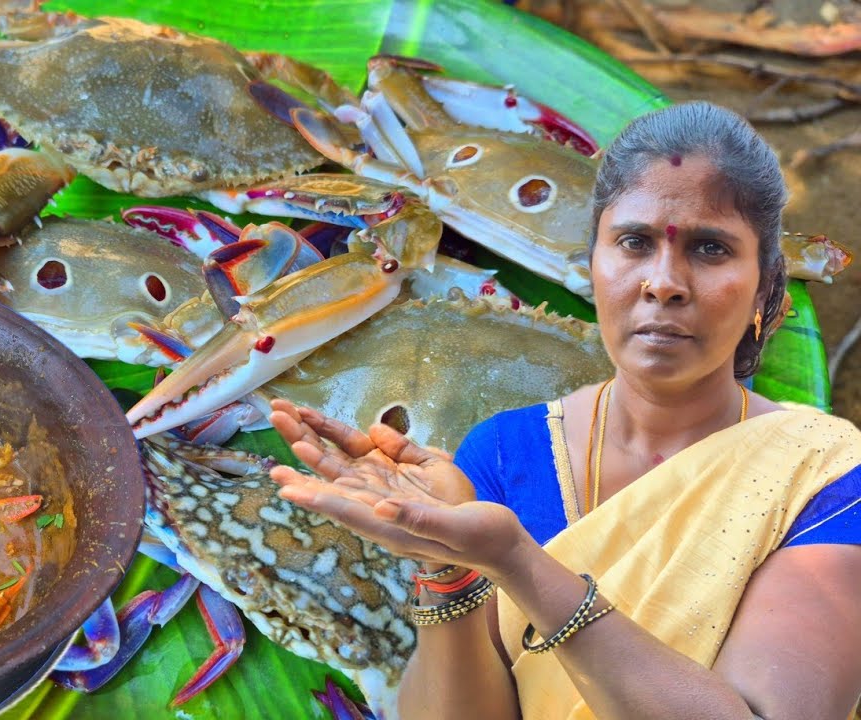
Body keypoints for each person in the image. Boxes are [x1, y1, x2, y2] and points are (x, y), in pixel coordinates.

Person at [267, 101, 861, 719]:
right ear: (594, 265)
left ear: (766, 288)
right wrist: (447, 569)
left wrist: (516, 563)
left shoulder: (826, 477)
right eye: (634, 242)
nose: (663, 282)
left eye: (710, 249)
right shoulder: (502, 454)